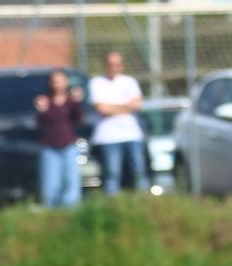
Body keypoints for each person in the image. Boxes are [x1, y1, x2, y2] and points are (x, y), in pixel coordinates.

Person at [88, 51, 147, 194]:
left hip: (131, 135)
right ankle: (113, 203)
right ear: (105, 65)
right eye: (110, 64)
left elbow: (138, 105)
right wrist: (126, 106)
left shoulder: (129, 81)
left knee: (139, 172)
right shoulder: (96, 83)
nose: (114, 68)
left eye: (117, 64)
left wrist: (112, 107)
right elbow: (102, 109)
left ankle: (143, 202)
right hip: (108, 137)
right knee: (112, 174)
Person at [34, 70, 85, 209]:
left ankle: (71, 210)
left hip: (68, 145)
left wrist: (78, 102)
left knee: (71, 181)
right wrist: (41, 111)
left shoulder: (71, 101)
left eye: (60, 80)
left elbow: (79, 120)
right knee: (51, 183)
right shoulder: (45, 101)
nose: (57, 84)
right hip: (50, 146)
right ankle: (51, 211)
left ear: (66, 82)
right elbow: (40, 124)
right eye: (55, 81)